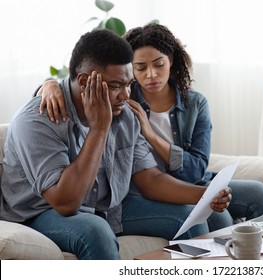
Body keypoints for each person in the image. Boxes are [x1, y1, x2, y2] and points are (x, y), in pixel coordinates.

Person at [0, 29, 231, 260]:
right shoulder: (37, 121)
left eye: (128, 84)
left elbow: (149, 179)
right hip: (40, 212)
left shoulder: (124, 112)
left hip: (108, 206)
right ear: (84, 81)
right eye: (115, 85)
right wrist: (99, 129)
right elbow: (66, 203)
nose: (125, 94)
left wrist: (207, 195)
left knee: (190, 217)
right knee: (95, 230)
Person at [38, 23, 263, 231]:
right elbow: (77, 84)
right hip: (143, 189)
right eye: (140, 68)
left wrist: (151, 136)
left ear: (170, 61)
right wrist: (48, 85)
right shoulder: (122, 101)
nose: (151, 75)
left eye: (159, 64)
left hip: (190, 182)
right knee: (219, 217)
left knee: (260, 193)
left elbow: (195, 171)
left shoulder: (194, 104)